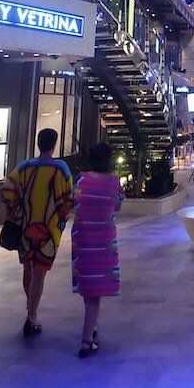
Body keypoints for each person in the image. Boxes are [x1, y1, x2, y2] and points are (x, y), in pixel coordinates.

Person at [1, 127, 73, 337]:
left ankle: (30, 307)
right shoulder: (61, 169)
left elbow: (7, 190)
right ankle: (31, 317)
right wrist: (61, 219)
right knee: (39, 273)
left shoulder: (25, 167)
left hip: (25, 227)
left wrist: (14, 213)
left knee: (28, 269)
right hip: (48, 231)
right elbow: (67, 199)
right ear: (54, 144)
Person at [72, 142, 124, 358]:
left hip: (82, 239)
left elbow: (74, 200)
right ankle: (86, 340)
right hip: (103, 241)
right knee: (94, 292)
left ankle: (91, 326)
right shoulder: (114, 182)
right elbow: (117, 205)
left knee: (88, 287)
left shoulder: (81, 180)